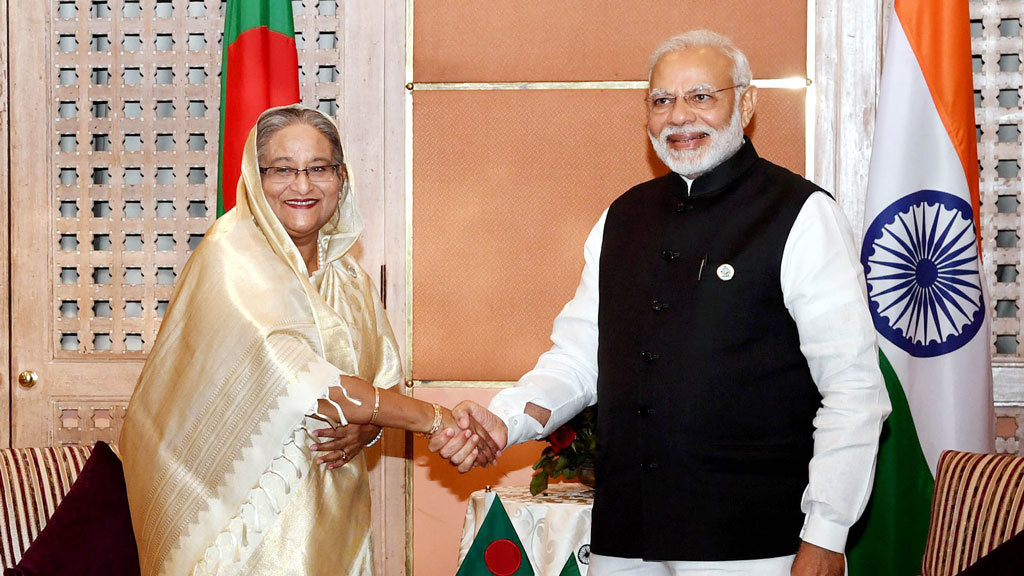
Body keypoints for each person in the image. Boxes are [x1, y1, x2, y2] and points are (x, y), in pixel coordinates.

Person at [432, 30, 891, 576]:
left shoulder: (802, 214)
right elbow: (577, 360)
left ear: (746, 104)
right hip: (625, 536)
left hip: (753, 541)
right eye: (661, 100)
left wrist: (827, 534)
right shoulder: (621, 218)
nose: (679, 117)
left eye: (701, 96)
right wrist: (505, 421)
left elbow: (854, 390)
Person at [120, 105, 496, 576]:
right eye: (282, 170)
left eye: (319, 168)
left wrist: (367, 429)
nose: (302, 186)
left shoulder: (348, 278)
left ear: (341, 179)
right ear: (256, 179)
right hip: (239, 522)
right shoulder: (230, 256)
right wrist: (436, 419)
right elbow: (307, 379)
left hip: (329, 512)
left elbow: (381, 384)